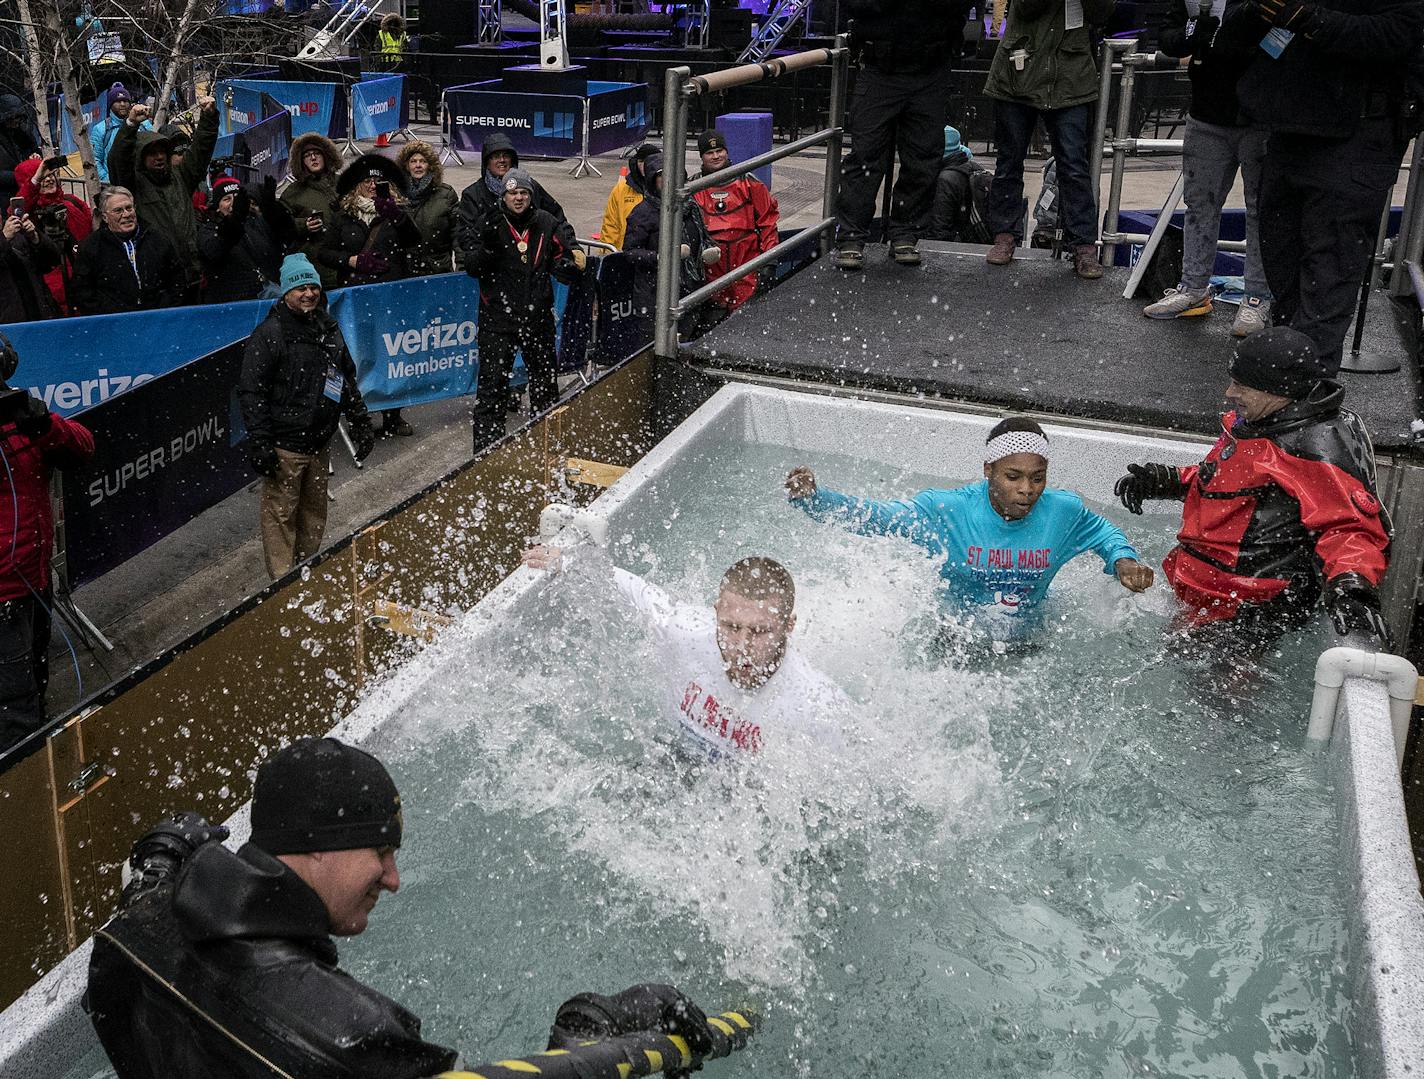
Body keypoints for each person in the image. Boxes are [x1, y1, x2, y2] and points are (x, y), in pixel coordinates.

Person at [86, 735, 714, 1077]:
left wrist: (169, 850)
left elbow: (160, 854)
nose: (392, 879)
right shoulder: (351, 1031)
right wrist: (585, 1030)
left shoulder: (137, 922)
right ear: (317, 850)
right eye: (381, 853)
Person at [1114, 326, 1391, 642]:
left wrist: (1351, 587)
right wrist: (1170, 481)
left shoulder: (1313, 450)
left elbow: (1350, 530)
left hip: (1246, 611)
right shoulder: (1258, 423)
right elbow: (1231, 482)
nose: (1229, 393)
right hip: (1202, 593)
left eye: (1241, 385)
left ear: (1277, 391)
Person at [785, 418, 1154, 639]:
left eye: (1037, 478)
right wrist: (816, 499)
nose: (1027, 490)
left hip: (1031, 642)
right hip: (955, 639)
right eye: (1013, 477)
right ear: (988, 471)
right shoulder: (947, 510)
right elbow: (876, 518)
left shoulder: (1061, 511)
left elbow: (1104, 532)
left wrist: (1123, 560)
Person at [1222, 0, 1424, 372]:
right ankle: (1289, 385)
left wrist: (1310, 19)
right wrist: (1257, 10)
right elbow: (1232, 33)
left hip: (1358, 137)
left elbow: (1397, 33)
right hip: (1287, 130)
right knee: (1284, 273)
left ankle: (1307, 394)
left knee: (1326, 279)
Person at [523, 547, 848, 757]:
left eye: (761, 632)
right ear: (716, 611)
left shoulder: (817, 705)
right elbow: (634, 589)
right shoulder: (685, 630)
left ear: (788, 626)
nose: (743, 647)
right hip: (674, 754)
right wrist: (566, 562)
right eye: (732, 627)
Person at [238, 254, 377, 579]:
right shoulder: (270, 334)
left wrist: (360, 421)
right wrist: (260, 442)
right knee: (281, 521)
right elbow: (251, 391)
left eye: (313, 286)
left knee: (313, 517)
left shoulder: (327, 326)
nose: (308, 294)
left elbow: (344, 377)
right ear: (286, 293)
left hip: (318, 444)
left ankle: (305, 576)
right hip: (285, 448)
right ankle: (283, 591)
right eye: (300, 287)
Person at [1142, 0, 1271, 335]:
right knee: (1199, 204)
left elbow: (1284, 37)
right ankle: (1193, 288)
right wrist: (1195, 33)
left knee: (1260, 209)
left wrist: (1239, 47)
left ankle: (1256, 296)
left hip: (1260, 114)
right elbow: (1167, 37)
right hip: (1207, 111)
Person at [0, 332, 95, 754]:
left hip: (33, 578)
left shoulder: (19, 415)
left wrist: (45, 425)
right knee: (14, 704)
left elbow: (83, 447)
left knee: (35, 682)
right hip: (3, 592)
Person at [833, 0, 973, 270]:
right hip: (880, 66)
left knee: (924, 157)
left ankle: (905, 233)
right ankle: (851, 237)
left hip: (931, 66)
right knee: (865, 155)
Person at [982, 0, 1115, 279]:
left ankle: (1083, 245)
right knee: (1010, 160)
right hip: (1021, 69)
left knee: (1073, 165)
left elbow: (1101, 13)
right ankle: (1005, 236)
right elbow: (1029, 7)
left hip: (1070, 74)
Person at [465, 169, 584, 452]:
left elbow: (563, 254)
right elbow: (470, 265)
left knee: (544, 387)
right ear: (503, 196)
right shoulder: (488, 222)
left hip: (536, 317)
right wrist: (488, 250)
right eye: (512, 193)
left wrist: (567, 267)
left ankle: (546, 448)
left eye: (523, 193)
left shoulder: (545, 221)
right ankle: (486, 452)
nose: (518, 198)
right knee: (492, 390)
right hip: (498, 319)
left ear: (530, 196)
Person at [320, 153, 421, 437]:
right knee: (358, 357)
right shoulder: (343, 216)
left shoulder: (396, 211)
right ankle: (359, 417)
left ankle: (393, 415)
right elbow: (324, 252)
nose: (373, 185)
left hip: (391, 296)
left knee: (392, 355)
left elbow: (415, 239)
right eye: (368, 181)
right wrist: (352, 260)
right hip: (356, 298)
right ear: (358, 186)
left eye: (379, 181)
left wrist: (396, 216)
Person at [107, 95, 219, 292]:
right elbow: (118, 160)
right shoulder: (133, 187)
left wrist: (209, 117)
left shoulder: (182, 176)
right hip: (161, 281)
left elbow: (201, 150)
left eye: (162, 152)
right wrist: (131, 124)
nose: (159, 157)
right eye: (152, 153)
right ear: (141, 158)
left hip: (195, 272)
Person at [622, 154, 721, 336]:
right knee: (656, 345)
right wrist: (662, 257)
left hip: (688, 290)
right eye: (662, 176)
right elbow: (629, 252)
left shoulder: (691, 207)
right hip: (654, 295)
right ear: (653, 180)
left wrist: (709, 248)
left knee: (685, 339)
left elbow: (700, 236)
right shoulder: (643, 213)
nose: (669, 181)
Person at [690, 129, 780, 312]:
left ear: (727, 152)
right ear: (702, 156)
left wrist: (769, 262)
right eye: (709, 153)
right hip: (710, 268)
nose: (716, 156)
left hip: (747, 264)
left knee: (747, 319)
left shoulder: (749, 183)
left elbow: (768, 223)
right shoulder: (692, 188)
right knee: (713, 321)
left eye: (719, 151)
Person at [455, 133, 576, 262]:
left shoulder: (530, 187)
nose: (502, 160)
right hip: (493, 268)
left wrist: (573, 248)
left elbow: (558, 220)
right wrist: (487, 253)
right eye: (496, 156)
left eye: (506, 156)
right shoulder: (473, 194)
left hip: (533, 263)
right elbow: (466, 237)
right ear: (486, 163)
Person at [71, 186, 185, 315]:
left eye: (129, 208)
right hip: (114, 323)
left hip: (159, 318)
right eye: (118, 210)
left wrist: (167, 306)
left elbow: (176, 276)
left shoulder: (157, 239)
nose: (126, 214)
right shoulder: (91, 246)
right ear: (105, 217)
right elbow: (83, 291)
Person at [14, 156, 92, 314]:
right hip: (57, 294)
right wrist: (36, 179)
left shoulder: (72, 202)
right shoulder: (30, 214)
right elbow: (15, 213)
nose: (49, 179)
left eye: (51, 175)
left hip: (86, 284)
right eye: (43, 177)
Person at [198, 175, 289, 303]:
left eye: (236, 197)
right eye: (226, 199)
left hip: (269, 293)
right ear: (217, 206)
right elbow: (215, 251)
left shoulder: (256, 223)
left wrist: (272, 207)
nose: (233, 202)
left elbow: (282, 243)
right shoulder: (208, 230)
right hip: (234, 302)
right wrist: (235, 221)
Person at [279, 132, 343, 290]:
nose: (313, 158)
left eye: (317, 153)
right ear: (301, 162)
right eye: (307, 155)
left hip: (347, 261)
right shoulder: (293, 193)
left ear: (326, 156)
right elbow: (280, 226)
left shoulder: (344, 182)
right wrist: (303, 225)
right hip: (316, 266)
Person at [397, 140, 459, 275]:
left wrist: (461, 268)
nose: (418, 165)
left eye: (423, 161)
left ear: (430, 166)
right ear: (406, 166)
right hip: (404, 271)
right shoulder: (396, 194)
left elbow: (458, 235)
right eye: (413, 161)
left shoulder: (446, 194)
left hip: (437, 270)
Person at [925, 125, 990, 243]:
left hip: (959, 243)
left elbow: (940, 229)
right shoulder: (972, 166)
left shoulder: (946, 179)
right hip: (979, 239)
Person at [0, 204, 60, 323]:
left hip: (38, 314)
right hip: (7, 325)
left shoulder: (16, 234)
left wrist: (35, 237)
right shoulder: (7, 235)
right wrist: (4, 239)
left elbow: (53, 260)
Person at [86, 83, 149, 185]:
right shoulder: (100, 129)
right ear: (110, 105)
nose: (123, 104)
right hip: (115, 186)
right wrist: (109, 180)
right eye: (118, 101)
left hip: (142, 184)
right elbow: (95, 160)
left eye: (125, 101)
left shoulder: (144, 124)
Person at [600, 141, 658, 251]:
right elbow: (610, 225)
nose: (644, 165)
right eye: (641, 161)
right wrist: (607, 253)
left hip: (654, 256)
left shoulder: (664, 191)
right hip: (625, 254)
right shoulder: (621, 189)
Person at [0, 93, 39, 206]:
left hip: (27, 192)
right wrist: (20, 175)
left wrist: (34, 158)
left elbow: (33, 150)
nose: (16, 121)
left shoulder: (23, 134)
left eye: (18, 117)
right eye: (11, 117)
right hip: (6, 197)